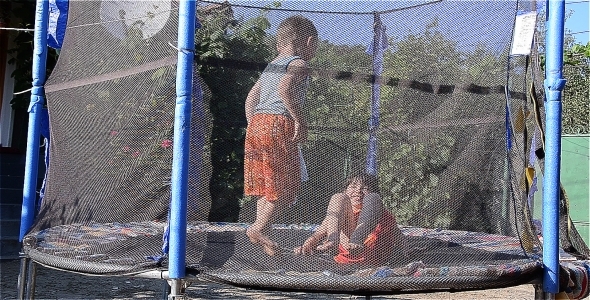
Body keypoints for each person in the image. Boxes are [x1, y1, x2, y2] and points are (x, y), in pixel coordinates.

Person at [243, 15, 318, 256]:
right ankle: (258, 228)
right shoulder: (299, 64)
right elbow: (284, 89)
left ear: (279, 44)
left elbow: (250, 98)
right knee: (286, 183)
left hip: (256, 124)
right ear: (309, 41)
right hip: (278, 123)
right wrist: (299, 120)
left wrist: (255, 124)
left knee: (268, 185)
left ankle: (265, 238)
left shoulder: (271, 65)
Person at [294, 173, 406, 265]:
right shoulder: (341, 213)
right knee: (338, 198)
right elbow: (320, 232)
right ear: (345, 190)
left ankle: (357, 238)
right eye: (353, 186)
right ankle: (332, 240)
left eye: (365, 188)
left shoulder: (378, 209)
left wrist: (406, 250)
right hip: (347, 253)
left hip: (373, 257)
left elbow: (396, 233)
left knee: (373, 199)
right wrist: (307, 245)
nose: (358, 190)